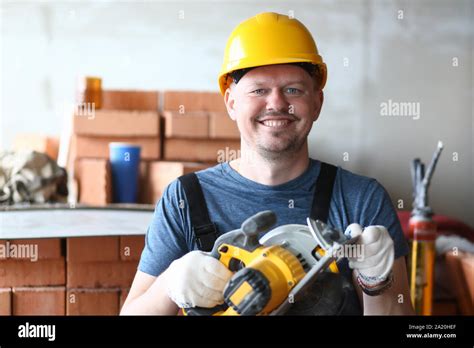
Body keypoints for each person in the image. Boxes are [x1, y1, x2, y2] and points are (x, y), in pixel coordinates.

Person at [121, 12, 414, 315]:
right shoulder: (184, 199)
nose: (276, 103)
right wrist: (170, 283)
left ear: (317, 103)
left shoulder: (360, 199)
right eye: (259, 90)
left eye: (293, 90)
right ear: (231, 102)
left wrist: (376, 283)